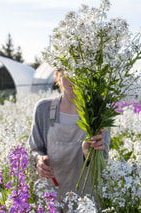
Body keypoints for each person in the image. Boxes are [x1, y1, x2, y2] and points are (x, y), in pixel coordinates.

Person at [28, 68, 110, 203]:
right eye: (68, 70)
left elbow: (103, 160)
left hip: (86, 201)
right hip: (51, 197)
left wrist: (88, 154)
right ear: (57, 75)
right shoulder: (43, 109)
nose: (75, 78)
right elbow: (34, 149)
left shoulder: (99, 111)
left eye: (80, 71)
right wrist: (38, 160)